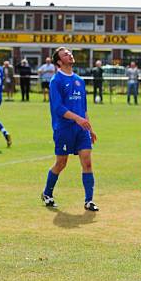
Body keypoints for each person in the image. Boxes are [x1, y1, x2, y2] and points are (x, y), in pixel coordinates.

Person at [41, 47, 99, 212]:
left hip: (81, 130)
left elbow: (84, 107)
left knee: (87, 162)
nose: (70, 55)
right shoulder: (56, 81)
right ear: (59, 61)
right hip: (64, 128)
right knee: (61, 163)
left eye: (69, 53)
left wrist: (89, 127)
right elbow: (58, 108)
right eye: (65, 54)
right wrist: (77, 119)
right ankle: (47, 193)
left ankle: (89, 201)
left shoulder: (79, 80)